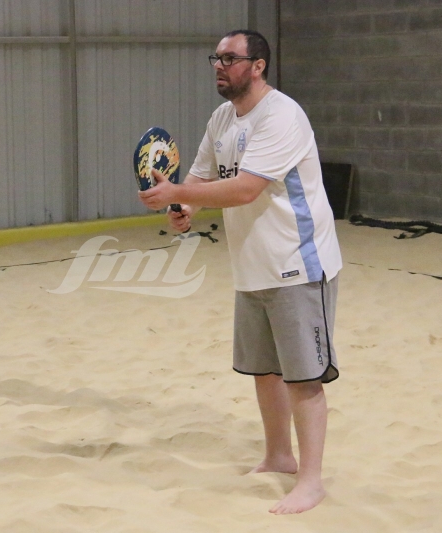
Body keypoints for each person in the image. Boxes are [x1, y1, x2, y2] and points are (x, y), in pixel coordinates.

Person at [138, 30, 342, 514]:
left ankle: (311, 481)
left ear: (258, 65)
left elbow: (247, 188)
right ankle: (278, 456)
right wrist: (184, 204)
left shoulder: (282, 115)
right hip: (252, 266)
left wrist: (176, 194)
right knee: (264, 371)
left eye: (229, 58)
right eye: (216, 57)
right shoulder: (222, 118)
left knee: (303, 379)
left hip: (297, 263)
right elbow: (203, 176)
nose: (218, 65)